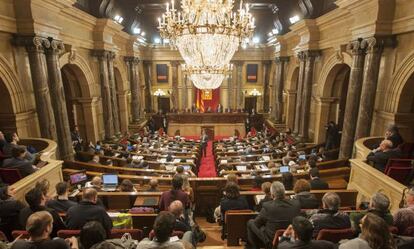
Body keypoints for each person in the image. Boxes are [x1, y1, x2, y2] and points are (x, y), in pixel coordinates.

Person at [246, 181, 301, 249]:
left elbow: (256, 223)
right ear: (284, 193)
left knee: (251, 222)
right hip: (291, 238)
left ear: (272, 195)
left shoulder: (267, 206)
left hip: (272, 240)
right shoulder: (296, 204)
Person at [12, 211, 78, 249]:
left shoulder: (17, 245)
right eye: (51, 223)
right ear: (47, 228)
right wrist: (75, 243)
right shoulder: (59, 244)